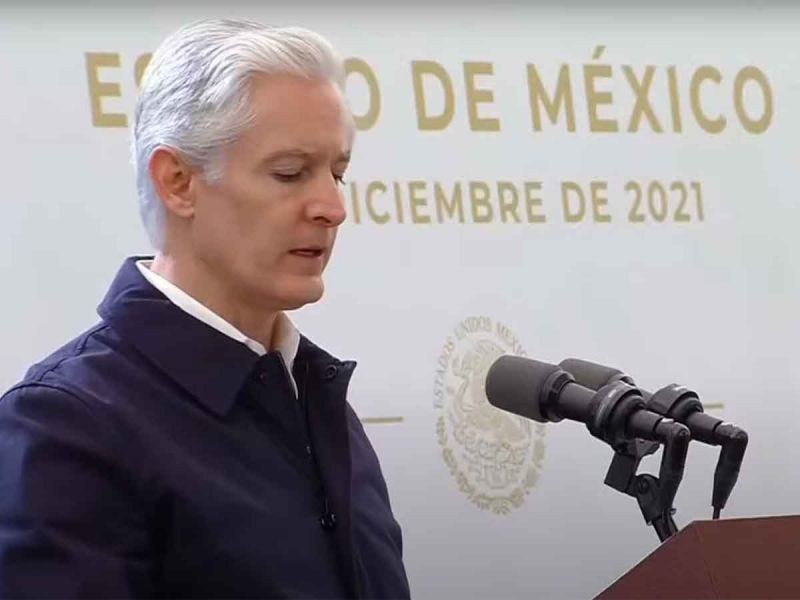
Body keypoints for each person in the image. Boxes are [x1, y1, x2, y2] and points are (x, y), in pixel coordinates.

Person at [0, 18, 410, 599]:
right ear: (178, 182)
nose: (332, 207)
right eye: (290, 173)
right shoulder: (68, 427)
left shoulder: (319, 401)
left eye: (338, 173)